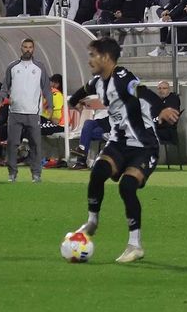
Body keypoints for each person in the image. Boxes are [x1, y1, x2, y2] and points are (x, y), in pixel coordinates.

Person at [67, 37, 180, 264]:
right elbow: (83, 90)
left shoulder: (123, 77)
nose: (89, 60)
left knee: (128, 187)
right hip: (118, 143)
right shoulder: (99, 81)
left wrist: (162, 109)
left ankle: (135, 244)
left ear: (106, 58)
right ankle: (92, 221)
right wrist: (73, 102)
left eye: (92, 55)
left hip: (144, 146)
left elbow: (142, 91)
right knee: (98, 171)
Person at [1, 37, 52, 183]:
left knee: (35, 144)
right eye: (25, 47)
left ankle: (36, 174)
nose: (27, 49)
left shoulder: (40, 67)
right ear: (21, 48)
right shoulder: (12, 67)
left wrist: (51, 104)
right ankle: (12, 174)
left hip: (33, 113)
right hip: (15, 112)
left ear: (33, 49)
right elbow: (5, 87)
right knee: (12, 144)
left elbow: (46, 88)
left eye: (30, 47)